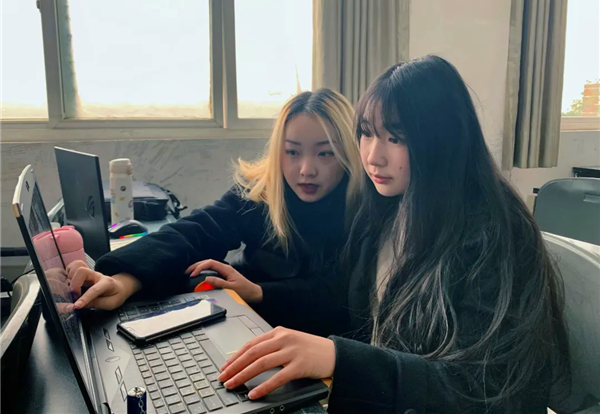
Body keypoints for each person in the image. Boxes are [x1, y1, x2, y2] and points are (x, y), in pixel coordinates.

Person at [215, 56, 570, 414]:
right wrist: (261, 295)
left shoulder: (494, 234)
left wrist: (341, 360)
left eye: (395, 138)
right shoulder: (388, 207)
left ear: (442, 141)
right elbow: (341, 293)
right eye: (367, 133)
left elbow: (484, 389)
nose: (373, 157)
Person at [67, 88, 362, 336]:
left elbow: (341, 295)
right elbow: (198, 230)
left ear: (348, 152)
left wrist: (258, 293)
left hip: (312, 341)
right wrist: (123, 280)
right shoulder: (263, 191)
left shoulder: (364, 208)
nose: (306, 170)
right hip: (243, 320)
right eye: (292, 152)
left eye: (325, 153)